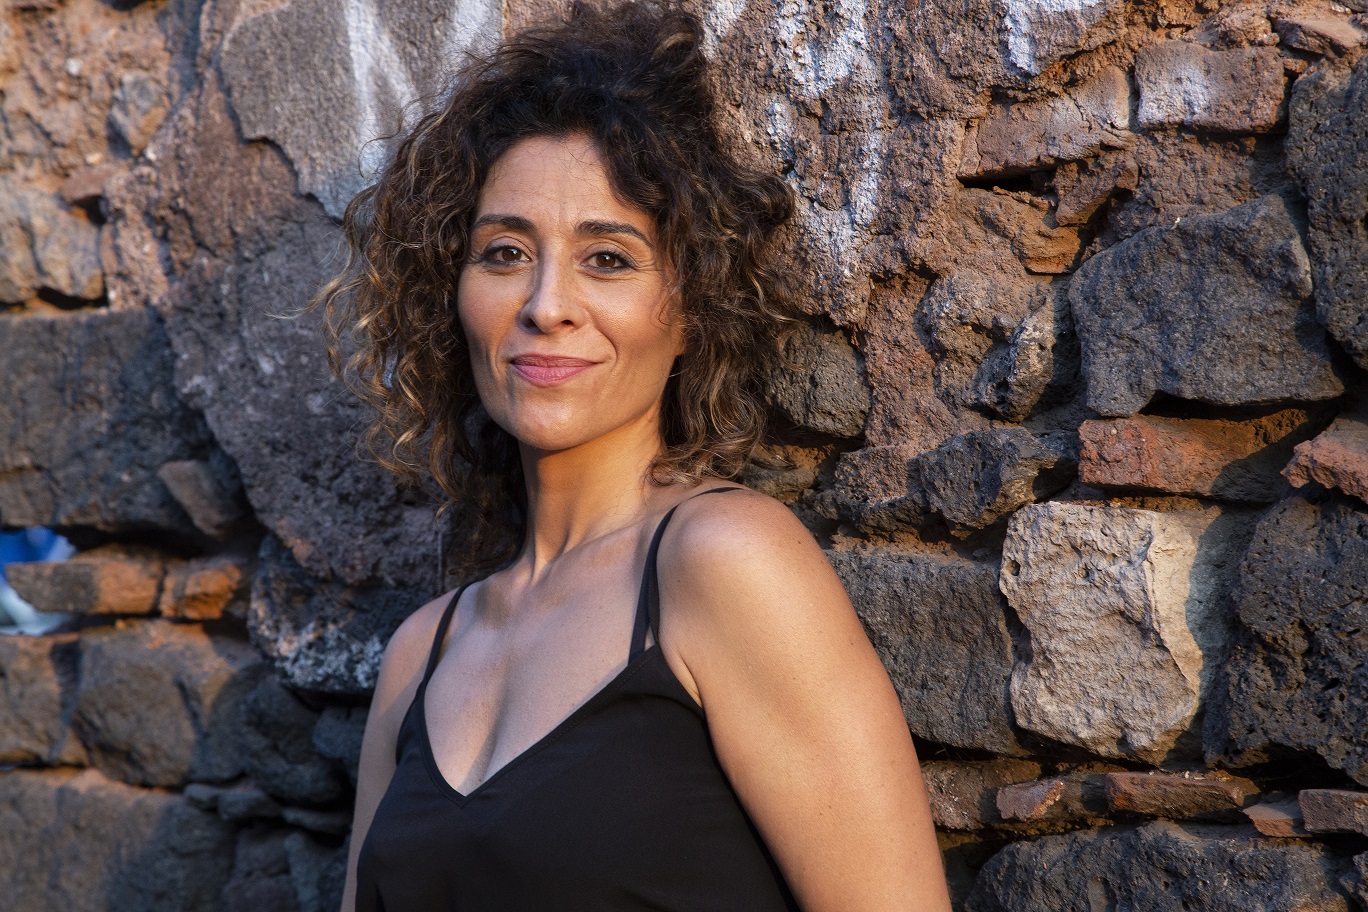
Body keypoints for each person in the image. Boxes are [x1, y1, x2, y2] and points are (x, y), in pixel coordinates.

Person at [316, 2, 952, 909]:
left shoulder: (727, 563)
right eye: (504, 252)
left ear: (691, 309)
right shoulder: (421, 652)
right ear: (452, 293)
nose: (545, 305)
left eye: (608, 259)